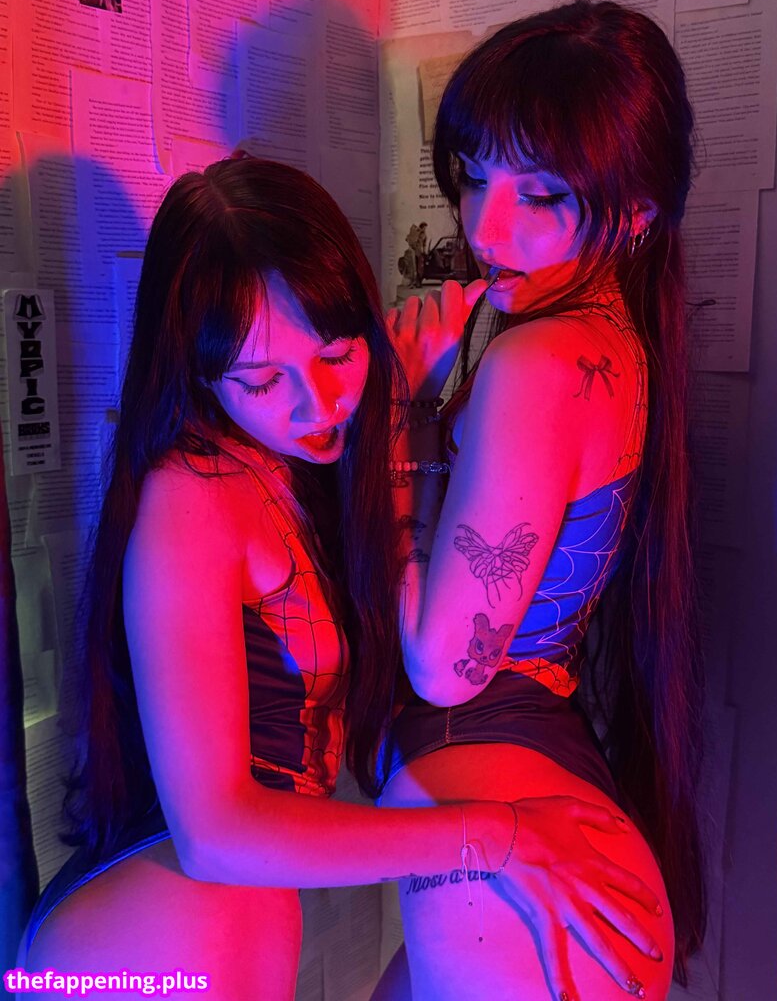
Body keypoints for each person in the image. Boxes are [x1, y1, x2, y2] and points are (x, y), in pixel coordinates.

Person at [17, 158, 659, 1000]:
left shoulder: (295, 470)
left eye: (336, 354)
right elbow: (215, 835)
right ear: (197, 374)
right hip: (167, 920)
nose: (316, 405)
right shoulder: (192, 494)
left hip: (219, 913)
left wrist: (408, 411)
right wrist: (495, 836)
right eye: (261, 380)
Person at [377, 0, 705, 1001]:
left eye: (541, 193)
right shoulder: (621, 346)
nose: (483, 227)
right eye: (474, 178)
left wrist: (399, 417)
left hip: (504, 825)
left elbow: (444, 667)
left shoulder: (541, 358)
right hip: (543, 795)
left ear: (637, 213)